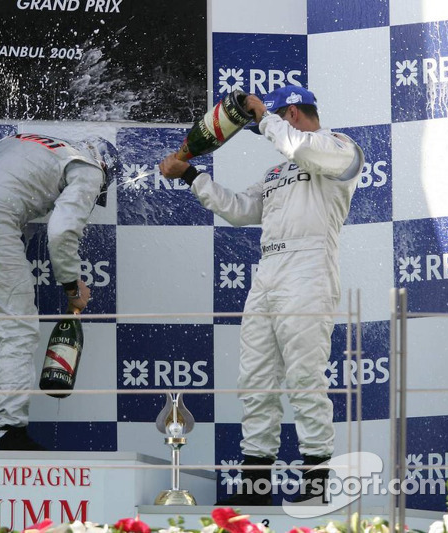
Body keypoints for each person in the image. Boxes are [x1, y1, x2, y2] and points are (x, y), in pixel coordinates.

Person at [160, 85, 364, 504]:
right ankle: (256, 489)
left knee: (306, 380)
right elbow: (237, 209)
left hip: (308, 271)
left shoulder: (339, 148)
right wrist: (192, 175)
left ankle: (316, 488)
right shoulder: (276, 173)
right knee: (255, 383)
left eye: (266, 121)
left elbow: (298, 147)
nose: (263, 130)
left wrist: (260, 114)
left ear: (290, 114)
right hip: (268, 272)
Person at [0, 133, 119, 450]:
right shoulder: (91, 168)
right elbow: (62, 230)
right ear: (105, 166)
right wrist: (70, 283)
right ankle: (12, 433)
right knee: (16, 329)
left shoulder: (22, 141)